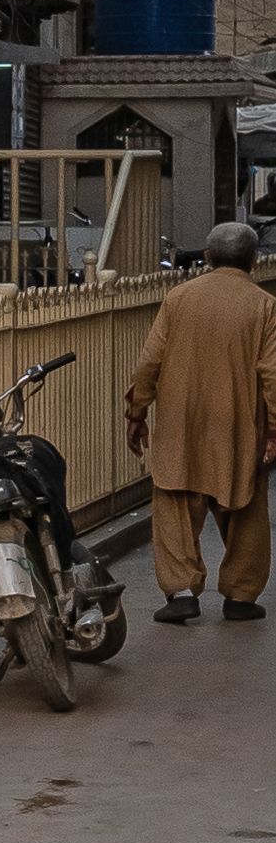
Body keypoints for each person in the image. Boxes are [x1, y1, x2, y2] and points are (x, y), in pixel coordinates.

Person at [127, 216, 276, 619]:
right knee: (246, 509)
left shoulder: (179, 297)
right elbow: (272, 374)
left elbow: (150, 362)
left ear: (208, 257)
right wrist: (274, 430)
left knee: (174, 503)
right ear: (254, 260)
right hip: (239, 426)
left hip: (181, 424)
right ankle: (241, 597)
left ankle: (181, 594)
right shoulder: (264, 305)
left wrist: (138, 410)